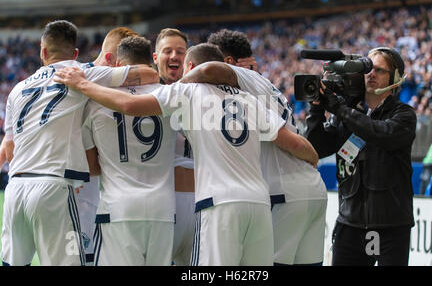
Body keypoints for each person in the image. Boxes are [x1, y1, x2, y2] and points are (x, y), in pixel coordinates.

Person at [54, 42, 319, 266]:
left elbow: (129, 104)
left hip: (216, 203)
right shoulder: (249, 100)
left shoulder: (188, 91)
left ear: (191, 68)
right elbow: (296, 144)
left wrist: (84, 85)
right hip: (259, 205)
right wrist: (314, 158)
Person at [0, 20, 158, 266]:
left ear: (42, 51)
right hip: (53, 185)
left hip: (15, 188)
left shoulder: (17, 89)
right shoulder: (81, 73)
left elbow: (8, 149)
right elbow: (148, 73)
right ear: (75, 53)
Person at [187, 29, 328, 265]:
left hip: (282, 191)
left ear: (229, 62)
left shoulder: (240, 79)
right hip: (312, 190)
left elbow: (284, 137)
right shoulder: (265, 83)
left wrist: (310, 152)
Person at [305, 47, 417, 266]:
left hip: (390, 226)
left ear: (394, 79)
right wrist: (317, 108)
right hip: (350, 225)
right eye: (367, 69)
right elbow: (316, 147)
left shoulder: (404, 114)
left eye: (379, 70)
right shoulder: (347, 113)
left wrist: (339, 108)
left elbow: (379, 133)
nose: (371, 74)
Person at [82, 36, 176, 265]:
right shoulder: (170, 97)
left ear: (118, 67)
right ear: (150, 65)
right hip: (163, 209)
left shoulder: (95, 104)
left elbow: (92, 168)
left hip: (117, 209)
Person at [77, 26, 140, 265]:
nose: (129, 75)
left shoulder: (83, 79)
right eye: (126, 68)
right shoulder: (82, 80)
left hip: (100, 193)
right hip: (80, 191)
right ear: (111, 59)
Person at [151, 28, 194, 266]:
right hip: (162, 204)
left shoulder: (203, 93)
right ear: (155, 57)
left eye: (180, 51)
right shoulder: (145, 94)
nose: (174, 56)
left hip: (203, 202)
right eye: (167, 51)